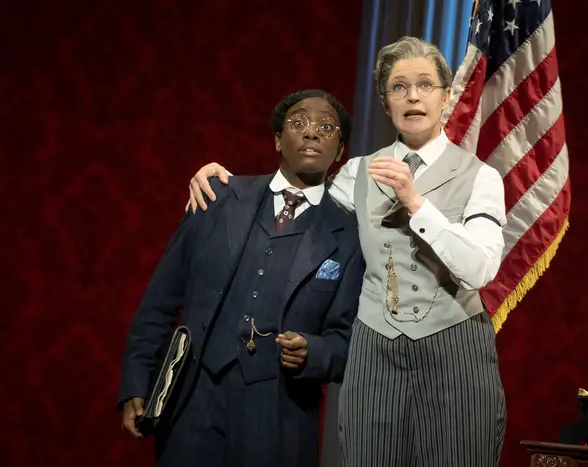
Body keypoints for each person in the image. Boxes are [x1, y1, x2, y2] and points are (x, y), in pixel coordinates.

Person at [185, 36, 506, 467]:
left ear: (446, 96)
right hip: (373, 351)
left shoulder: (482, 177)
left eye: (426, 84)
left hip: (455, 350)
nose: (412, 95)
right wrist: (229, 187)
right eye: (398, 87)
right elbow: (295, 206)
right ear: (384, 102)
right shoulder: (355, 172)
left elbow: (481, 268)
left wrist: (417, 203)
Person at [117, 89, 364, 467]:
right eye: (298, 123)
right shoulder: (216, 198)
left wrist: (314, 352)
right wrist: (137, 380)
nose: (312, 132)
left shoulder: (348, 236)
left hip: (279, 416)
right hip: (193, 401)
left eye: (326, 127)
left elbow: (347, 341)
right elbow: (160, 300)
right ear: (278, 139)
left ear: (340, 150)